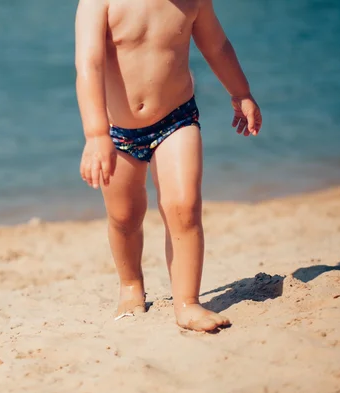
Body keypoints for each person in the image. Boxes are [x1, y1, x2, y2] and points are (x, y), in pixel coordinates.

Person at [75, 0, 262, 331]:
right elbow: (89, 65)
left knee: (184, 208)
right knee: (124, 218)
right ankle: (131, 286)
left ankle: (187, 302)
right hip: (116, 130)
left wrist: (241, 93)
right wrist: (96, 134)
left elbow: (217, 46)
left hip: (176, 119)